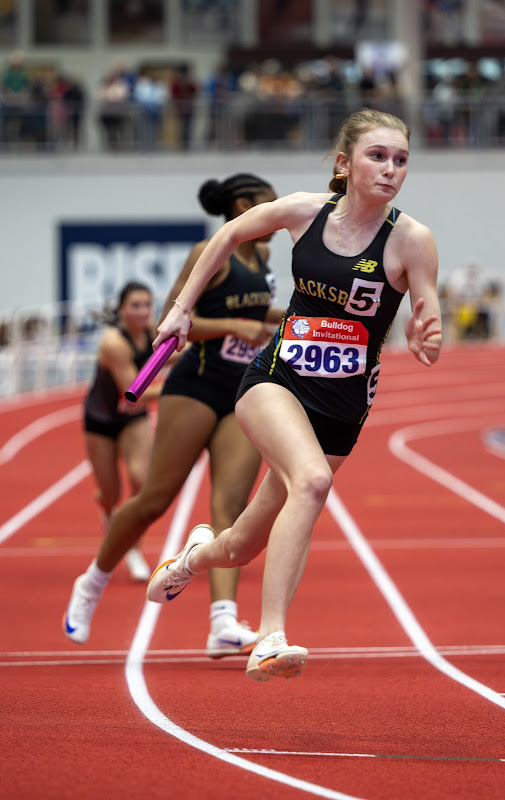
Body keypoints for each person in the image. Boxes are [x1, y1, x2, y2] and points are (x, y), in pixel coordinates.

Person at [147, 107, 443, 682]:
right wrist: (182, 309)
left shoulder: (412, 239)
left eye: (401, 160)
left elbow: (427, 312)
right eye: (378, 156)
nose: (390, 169)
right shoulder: (305, 212)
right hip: (276, 379)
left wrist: (425, 333)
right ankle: (270, 636)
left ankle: (192, 558)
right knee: (312, 482)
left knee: (242, 544)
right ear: (345, 163)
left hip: (343, 405)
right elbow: (229, 234)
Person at [63, 173, 285, 655]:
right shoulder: (213, 251)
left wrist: (293, 317)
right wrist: (234, 326)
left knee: (231, 506)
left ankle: (223, 622)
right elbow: (173, 320)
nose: (279, 212)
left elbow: (259, 310)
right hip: (196, 386)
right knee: (154, 499)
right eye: (271, 203)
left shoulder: (263, 257)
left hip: (242, 390)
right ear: (244, 207)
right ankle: (92, 582)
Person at [81, 281, 164, 584]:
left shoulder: (152, 332)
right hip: (101, 421)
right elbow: (134, 393)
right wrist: (178, 386)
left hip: (133, 420)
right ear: (121, 310)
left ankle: (134, 550)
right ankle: (105, 505)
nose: (143, 311)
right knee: (111, 493)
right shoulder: (113, 343)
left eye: (147, 304)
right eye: (135, 305)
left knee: (141, 479)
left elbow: (171, 354)